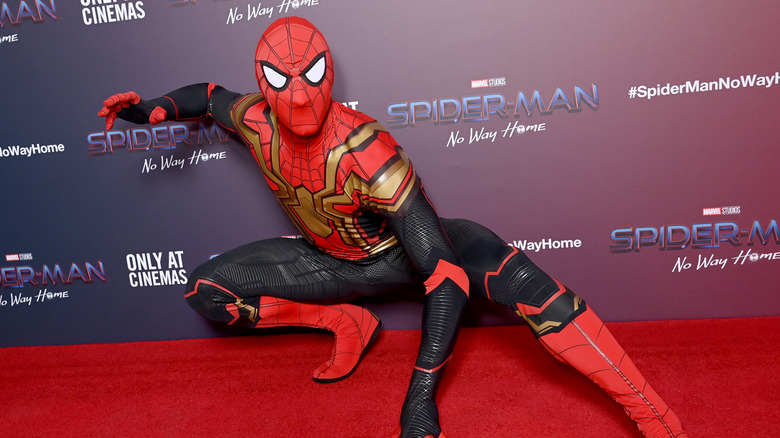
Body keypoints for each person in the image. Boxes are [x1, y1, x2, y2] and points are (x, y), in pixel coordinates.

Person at [98, 16, 686, 438]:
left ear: (330, 73)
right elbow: (205, 95)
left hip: (418, 251)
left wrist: (421, 399)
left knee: (535, 293)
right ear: (263, 81)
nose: (300, 96)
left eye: (312, 74)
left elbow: (447, 277)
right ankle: (346, 321)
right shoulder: (251, 117)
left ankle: (655, 417)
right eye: (282, 81)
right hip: (331, 260)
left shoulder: (366, 147)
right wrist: (149, 108)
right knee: (208, 290)